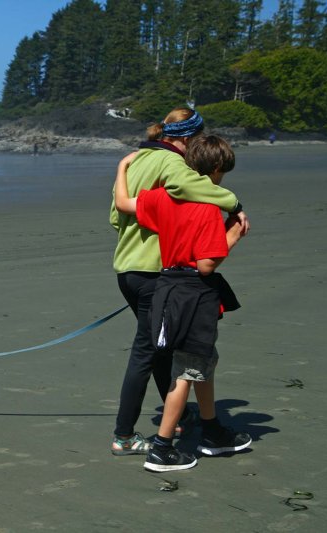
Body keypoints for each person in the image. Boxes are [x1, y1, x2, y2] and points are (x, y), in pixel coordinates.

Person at [108, 107, 249, 456]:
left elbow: (117, 213)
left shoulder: (139, 159)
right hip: (159, 272)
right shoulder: (174, 165)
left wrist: (122, 168)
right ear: (187, 138)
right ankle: (127, 436)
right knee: (152, 352)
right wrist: (235, 205)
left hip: (126, 267)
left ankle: (183, 418)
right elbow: (189, 189)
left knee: (161, 349)